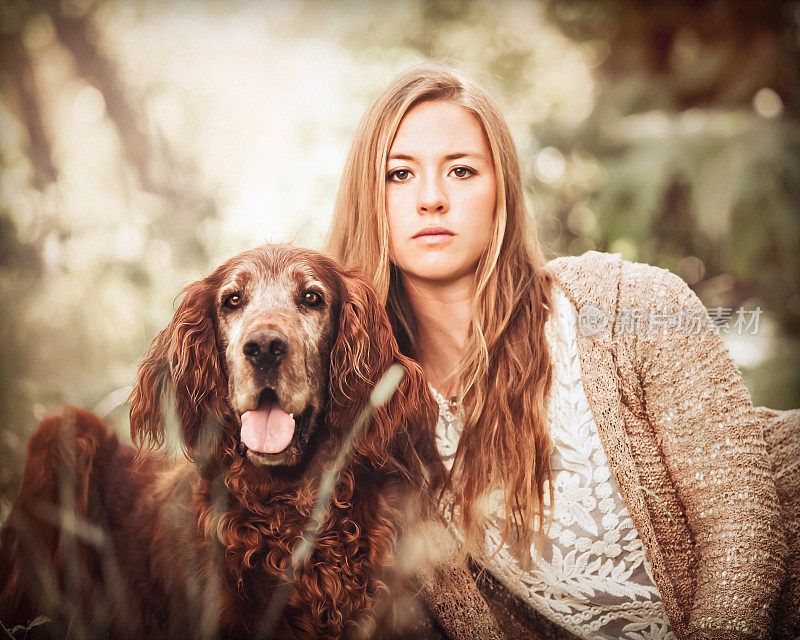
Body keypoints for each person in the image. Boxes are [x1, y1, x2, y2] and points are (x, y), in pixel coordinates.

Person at [325, 64, 798, 640]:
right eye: (399, 174)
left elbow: (744, 524)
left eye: (462, 171)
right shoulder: (383, 420)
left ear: (502, 190)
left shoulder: (624, 306)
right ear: (367, 199)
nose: (431, 199)